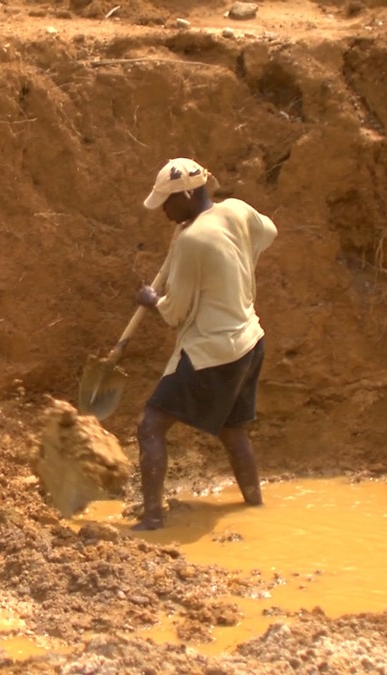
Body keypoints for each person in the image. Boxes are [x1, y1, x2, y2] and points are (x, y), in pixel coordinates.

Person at [132, 158, 277, 531]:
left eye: (168, 202)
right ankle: (255, 506)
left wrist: (151, 300)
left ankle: (152, 519)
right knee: (232, 429)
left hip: (212, 352)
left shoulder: (193, 240)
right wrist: (234, 266)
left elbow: (174, 313)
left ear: (189, 194)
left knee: (151, 427)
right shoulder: (237, 210)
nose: (163, 210)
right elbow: (269, 232)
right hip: (249, 339)